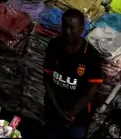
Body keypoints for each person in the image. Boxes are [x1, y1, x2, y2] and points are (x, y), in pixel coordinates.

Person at [42, 9, 101, 139]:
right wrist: (58, 109)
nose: (68, 32)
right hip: (54, 110)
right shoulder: (54, 46)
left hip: (78, 115)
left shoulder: (91, 55)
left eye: (72, 28)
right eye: (65, 27)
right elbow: (47, 78)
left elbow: (91, 91)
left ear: (81, 29)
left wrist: (72, 113)